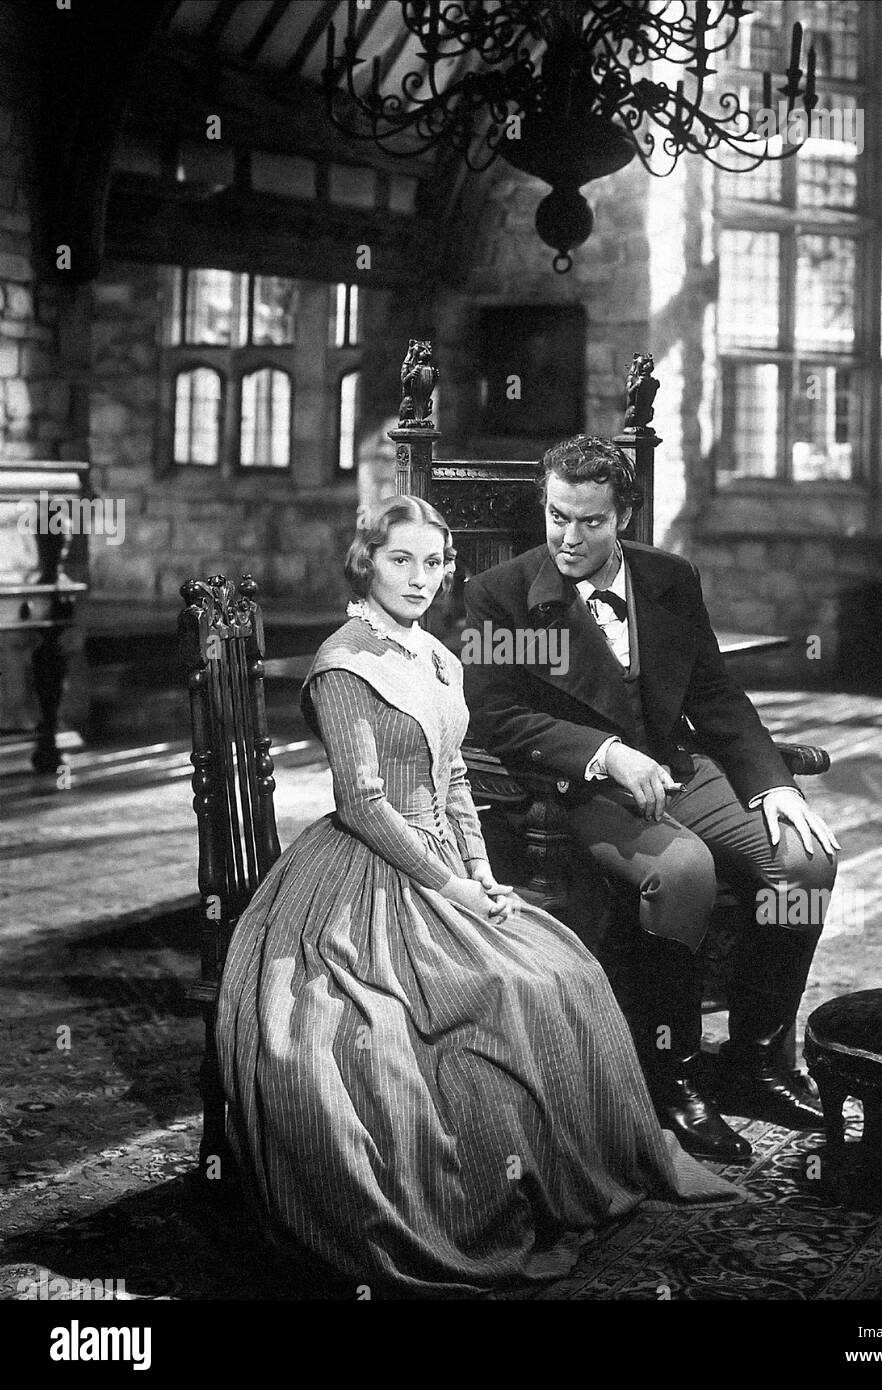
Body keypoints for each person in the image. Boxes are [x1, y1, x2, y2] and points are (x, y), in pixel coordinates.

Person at [216, 494, 739, 1299]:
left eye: (433, 563)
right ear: (366, 563)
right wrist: (453, 885)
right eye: (401, 560)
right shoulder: (343, 666)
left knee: (561, 971)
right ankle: (468, 1200)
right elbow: (364, 806)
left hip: (448, 865)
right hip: (363, 879)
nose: (420, 578)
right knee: (429, 1016)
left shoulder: (437, 655)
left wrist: (483, 874)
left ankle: (571, 1172)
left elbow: (454, 777)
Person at [463, 437, 841, 1164]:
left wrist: (772, 784)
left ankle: (757, 1063)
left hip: (677, 770)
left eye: (591, 522)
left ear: (625, 516)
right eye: (557, 517)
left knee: (806, 862)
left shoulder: (670, 578)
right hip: (581, 788)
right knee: (688, 871)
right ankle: (673, 1074)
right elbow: (493, 716)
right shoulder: (501, 595)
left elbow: (716, 697)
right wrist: (603, 753)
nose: (570, 539)